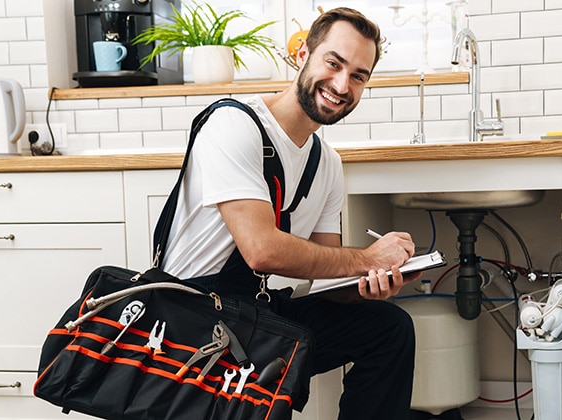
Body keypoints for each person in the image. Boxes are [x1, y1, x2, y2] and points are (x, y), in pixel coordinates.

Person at [162, 7, 420, 419]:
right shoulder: (234, 125)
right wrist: (369, 257)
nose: (341, 84)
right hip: (191, 321)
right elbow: (261, 251)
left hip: (255, 311)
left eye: (358, 76)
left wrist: (369, 283)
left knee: (387, 328)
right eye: (333, 63)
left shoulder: (326, 162)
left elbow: (327, 280)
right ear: (303, 54)